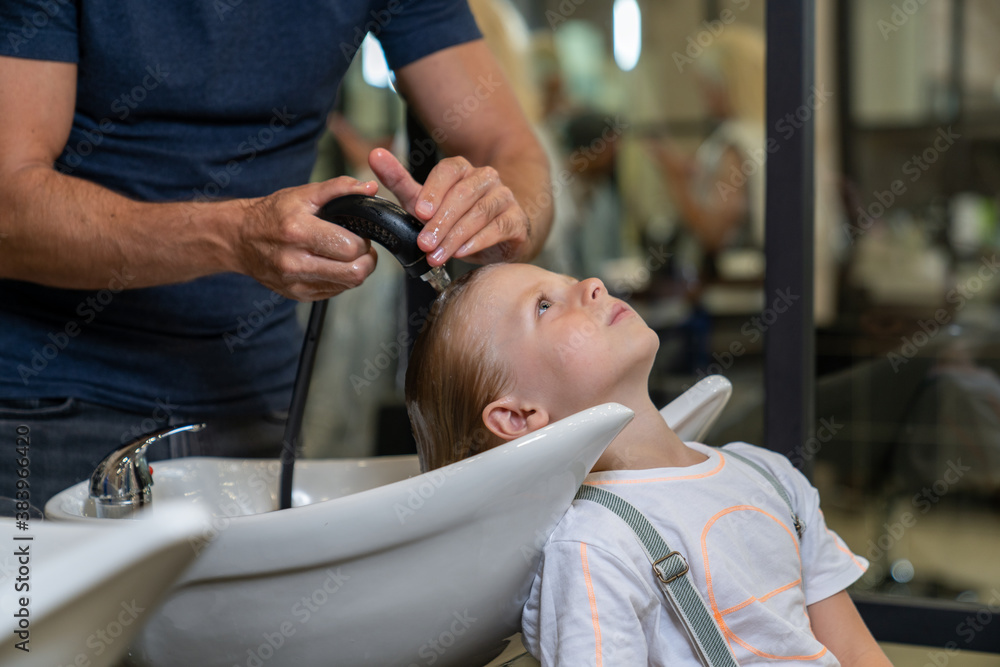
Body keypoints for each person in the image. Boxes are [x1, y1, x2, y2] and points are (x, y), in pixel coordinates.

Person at [0, 0, 553, 507]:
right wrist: (233, 236)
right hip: (48, 401)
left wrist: (505, 213)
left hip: (255, 399)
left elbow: (509, 148)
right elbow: (8, 208)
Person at [404, 263, 891, 665]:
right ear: (518, 416)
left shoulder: (768, 474)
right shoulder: (594, 547)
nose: (593, 285)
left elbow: (857, 653)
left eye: (569, 280)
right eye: (544, 306)